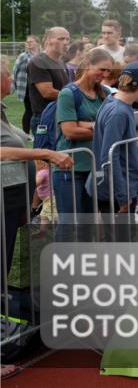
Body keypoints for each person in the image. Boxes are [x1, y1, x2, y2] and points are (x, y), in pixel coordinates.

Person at [1, 56, 74, 291]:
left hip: (12, 196)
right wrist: (45, 153)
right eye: (8, 74)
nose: (12, 78)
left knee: (6, 258)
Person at [90, 62, 138, 226]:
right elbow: (109, 156)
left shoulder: (112, 101)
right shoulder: (119, 112)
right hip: (116, 190)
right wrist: (123, 197)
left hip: (114, 186)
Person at [53, 48, 114, 239]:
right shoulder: (68, 93)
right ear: (88, 66)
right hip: (69, 168)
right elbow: (69, 131)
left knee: (88, 224)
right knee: (69, 224)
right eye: (101, 69)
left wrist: (84, 125)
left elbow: (112, 125)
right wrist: (98, 128)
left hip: (93, 169)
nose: (104, 75)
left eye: (108, 72)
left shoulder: (105, 93)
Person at [27, 26, 71, 133]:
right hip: (44, 118)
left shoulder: (61, 63)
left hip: (60, 115)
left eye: (67, 39)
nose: (65, 42)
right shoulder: (38, 62)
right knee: (45, 149)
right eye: (60, 39)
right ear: (48, 40)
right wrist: (74, 96)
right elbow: (47, 92)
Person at [11, 35, 41, 132]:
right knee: (29, 110)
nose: (28, 43)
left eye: (31, 41)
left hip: (38, 86)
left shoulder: (42, 55)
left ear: (38, 43)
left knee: (37, 110)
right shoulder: (23, 56)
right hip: (26, 87)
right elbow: (14, 71)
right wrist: (12, 86)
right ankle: (26, 133)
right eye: (27, 42)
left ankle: (36, 131)